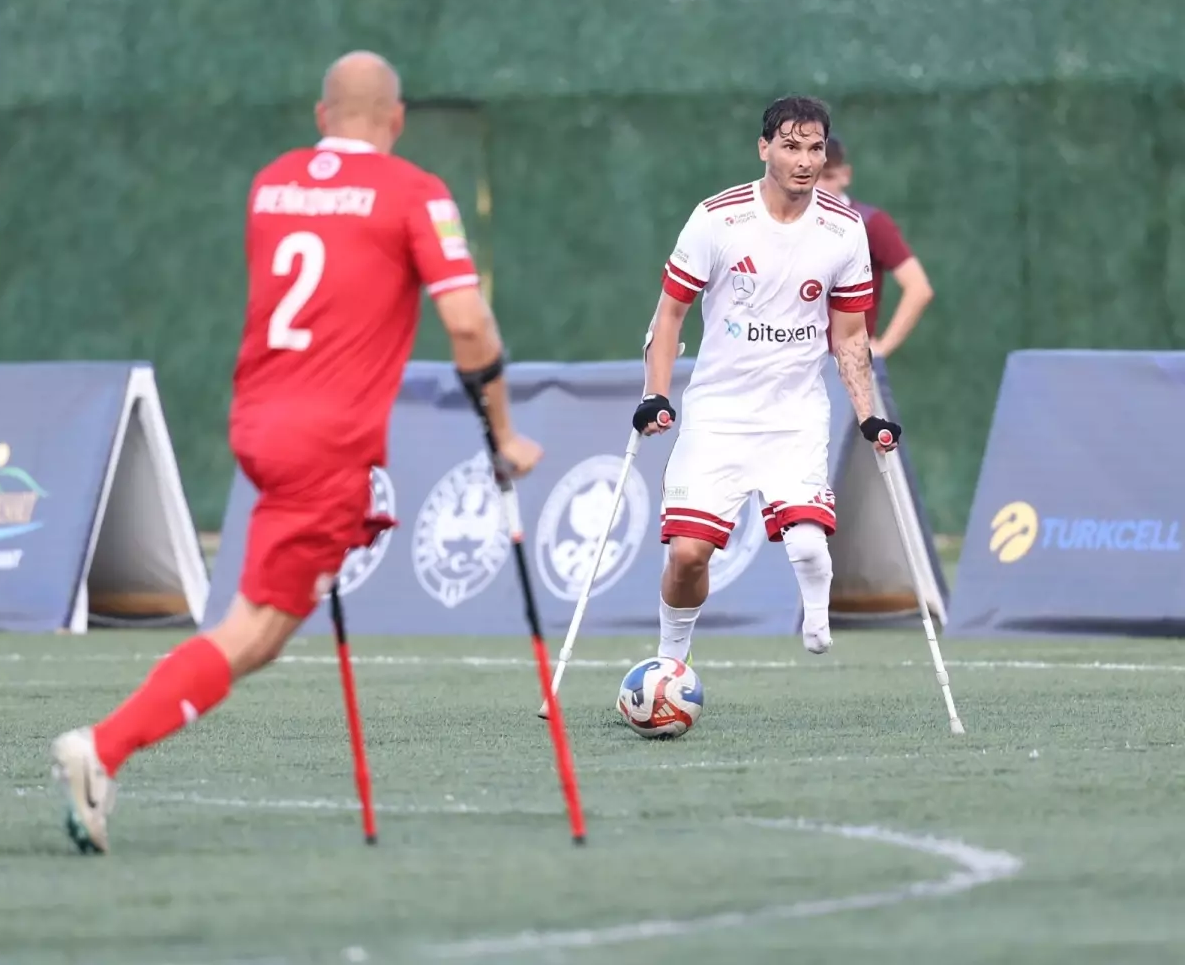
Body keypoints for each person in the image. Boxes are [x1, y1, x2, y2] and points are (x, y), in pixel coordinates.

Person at [50, 51, 542, 854]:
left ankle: (109, 747)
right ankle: (101, 750)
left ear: (322, 116)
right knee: (253, 631)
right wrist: (505, 432)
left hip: (258, 426)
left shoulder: (272, 181)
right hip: (328, 442)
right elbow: (467, 324)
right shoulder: (417, 192)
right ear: (397, 119)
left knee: (270, 630)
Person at [636, 95, 900, 662]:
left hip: (795, 414)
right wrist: (655, 395)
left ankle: (816, 611)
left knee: (807, 543)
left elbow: (850, 336)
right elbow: (670, 314)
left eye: (814, 148)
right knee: (686, 555)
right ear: (764, 148)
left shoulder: (844, 230)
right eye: (790, 146)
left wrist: (869, 413)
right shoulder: (717, 218)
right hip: (718, 417)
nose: (804, 161)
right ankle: (670, 661)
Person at [819, 135, 934, 359]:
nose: (820, 186)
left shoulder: (870, 223)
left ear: (845, 175)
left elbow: (919, 288)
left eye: (828, 176)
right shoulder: (785, 226)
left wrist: (882, 348)